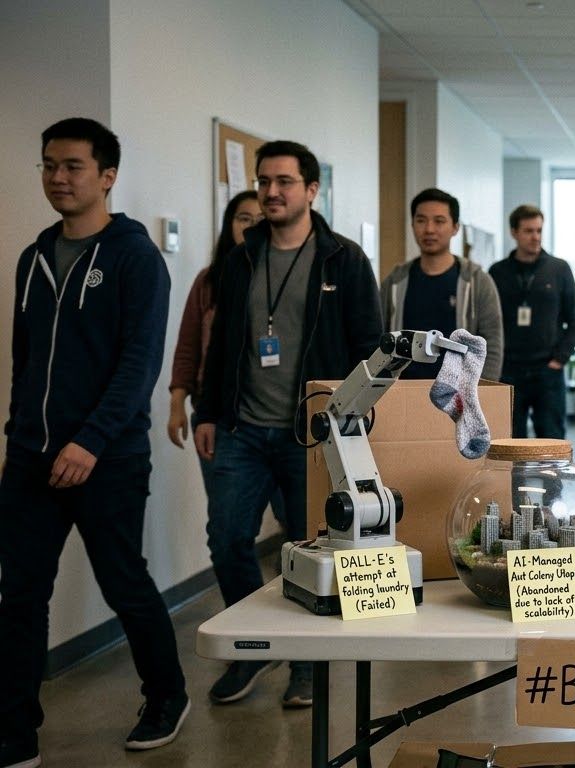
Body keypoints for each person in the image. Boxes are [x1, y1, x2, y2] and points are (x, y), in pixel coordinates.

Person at [0, 117, 187, 766]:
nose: (58, 177)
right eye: (49, 165)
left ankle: (166, 695)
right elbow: (26, 363)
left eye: (73, 166)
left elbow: (139, 363)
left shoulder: (135, 259)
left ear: (107, 176)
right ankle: (14, 729)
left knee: (123, 583)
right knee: (20, 595)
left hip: (108, 459)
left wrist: (91, 441)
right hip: (31, 459)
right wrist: (16, 438)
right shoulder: (32, 259)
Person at [194, 140, 381, 709]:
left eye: (284, 182)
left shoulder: (343, 260)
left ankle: (306, 665)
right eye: (263, 182)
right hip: (242, 429)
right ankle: (255, 649)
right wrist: (206, 412)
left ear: (311, 190)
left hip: (312, 434)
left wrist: (356, 418)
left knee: (310, 548)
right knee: (228, 539)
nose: (271, 192)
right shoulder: (240, 259)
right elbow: (221, 345)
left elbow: (368, 347)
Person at [167, 191, 287, 526]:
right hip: (220, 417)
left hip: (281, 417)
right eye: (243, 218)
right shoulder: (209, 280)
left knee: (294, 519)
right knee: (228, 526)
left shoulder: (285, 277)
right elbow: (188, 347)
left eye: (260, 219)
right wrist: (177, 404)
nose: (251, 226)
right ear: (229, 224)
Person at [381, 187, 503, 380]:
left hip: (458, 391)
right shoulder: (395, 282)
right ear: (412, 225)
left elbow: (492, 345)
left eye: (439, 221)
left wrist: (482, 390)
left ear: (455, 227)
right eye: (421, 220)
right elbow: (379, 339)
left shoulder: (476, 281)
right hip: (403, 389)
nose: (429, 229)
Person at [488, 204, 575, 438]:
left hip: (547, 371)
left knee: (552, 442)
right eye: (528, 231)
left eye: (539, 230)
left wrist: (560, 359)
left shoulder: (559, 269)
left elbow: (574, 320)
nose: (535, 237)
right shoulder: (497, 272)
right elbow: (488, 322)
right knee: (509, 442)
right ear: (514, 232)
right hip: (508, 371)